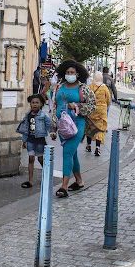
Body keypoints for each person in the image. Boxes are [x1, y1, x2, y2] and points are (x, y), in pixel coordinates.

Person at [50, 60, 96, 198]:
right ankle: (79, 181)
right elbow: (55, 107)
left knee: (67, 153)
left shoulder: (84, 89)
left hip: (77, 126)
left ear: (77, 74)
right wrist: (53, 127)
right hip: (62, 127)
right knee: (72, 153)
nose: (70, 74)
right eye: (68, 72)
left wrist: (76, 106)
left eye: (72, 72)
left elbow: (93, 105)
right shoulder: (59, 87)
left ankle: (64, 186)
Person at [17, 94, 51, 188]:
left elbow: (49, 124)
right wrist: (24, 140)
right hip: (30, 140)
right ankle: (30, 181)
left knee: (40, 158)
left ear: (41, 104)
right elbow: (24, 128)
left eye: (37, 103)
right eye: (33, 103)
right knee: (31, 158)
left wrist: (52, 133)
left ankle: (46, 175)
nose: (35, 104)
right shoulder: (28, 115)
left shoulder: (43, 115)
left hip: (40, 140)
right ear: (30, 104)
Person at [85, 72, 110, 156]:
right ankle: (97, 147)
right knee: (100, 128)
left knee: (89, 127)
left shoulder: (90, 86)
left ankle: (88, 145)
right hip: (101, 111)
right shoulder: (105, 87)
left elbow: (86, 98)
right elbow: (108, 100)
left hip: (91, 110)